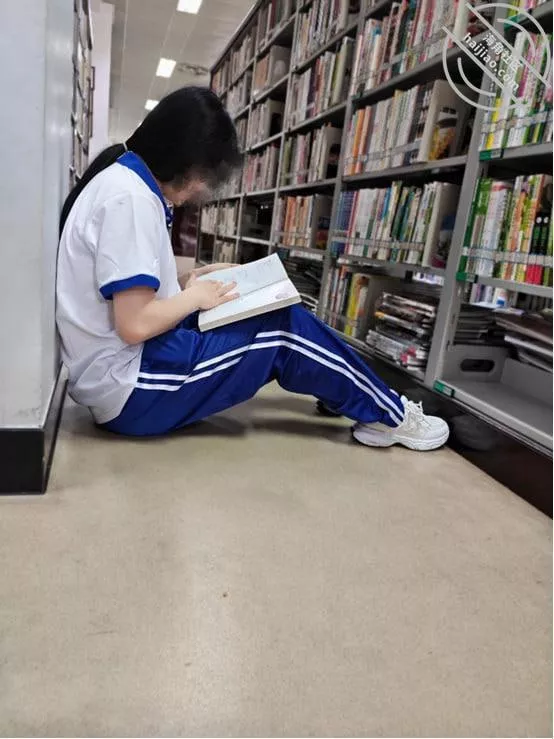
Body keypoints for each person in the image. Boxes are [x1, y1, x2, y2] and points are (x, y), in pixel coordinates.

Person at [57, 86, 449, 451]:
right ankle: (391, 416)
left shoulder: (124, 184)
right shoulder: (131, 199)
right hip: (133, 389)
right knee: (282, 328)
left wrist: (189, 282)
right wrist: (195, 297)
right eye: (204, 175)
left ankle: (347, 392)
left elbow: (125, 298)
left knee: (259, 310)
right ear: (184, 160)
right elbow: (135, 324)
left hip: (124, 375)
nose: (200, 190)